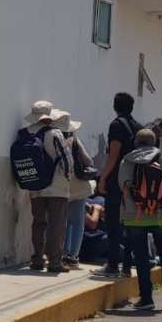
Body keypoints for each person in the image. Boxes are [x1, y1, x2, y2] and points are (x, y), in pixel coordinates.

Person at [118, 129, 162, 311]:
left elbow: (122, 185)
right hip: (160, 215)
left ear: (136, 142)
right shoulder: (161, 158)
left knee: (141, 259)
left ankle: (146, 299)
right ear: (154, 142)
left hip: (135, 215)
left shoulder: (127, 160)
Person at [98, 93, 142, 277]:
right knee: (131, 222)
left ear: (115, 106)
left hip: (117, 180)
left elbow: (113, 154)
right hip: (134, 181)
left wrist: (103, 177)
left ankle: (113, 264)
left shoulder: (116, 125)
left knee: (114, 223)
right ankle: (127, 265)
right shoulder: (138, 127)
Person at [26, 104, 74, 274]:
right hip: (56, 187)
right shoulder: (55, 133)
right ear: (49, 116)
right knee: (56, 224)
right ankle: (54, 262)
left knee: (39, 222)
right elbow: (66, 160)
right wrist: (68, 178)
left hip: (35, 186)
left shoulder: (28, 132)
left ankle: (37, 259)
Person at [56, 111, 97, 270]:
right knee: (78, 222)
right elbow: (88, 160)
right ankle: (73, 256)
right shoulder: (74, 141)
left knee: (64, 222)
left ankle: (63, 253)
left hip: (61, 186)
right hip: (79, 186)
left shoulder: (55, 140)